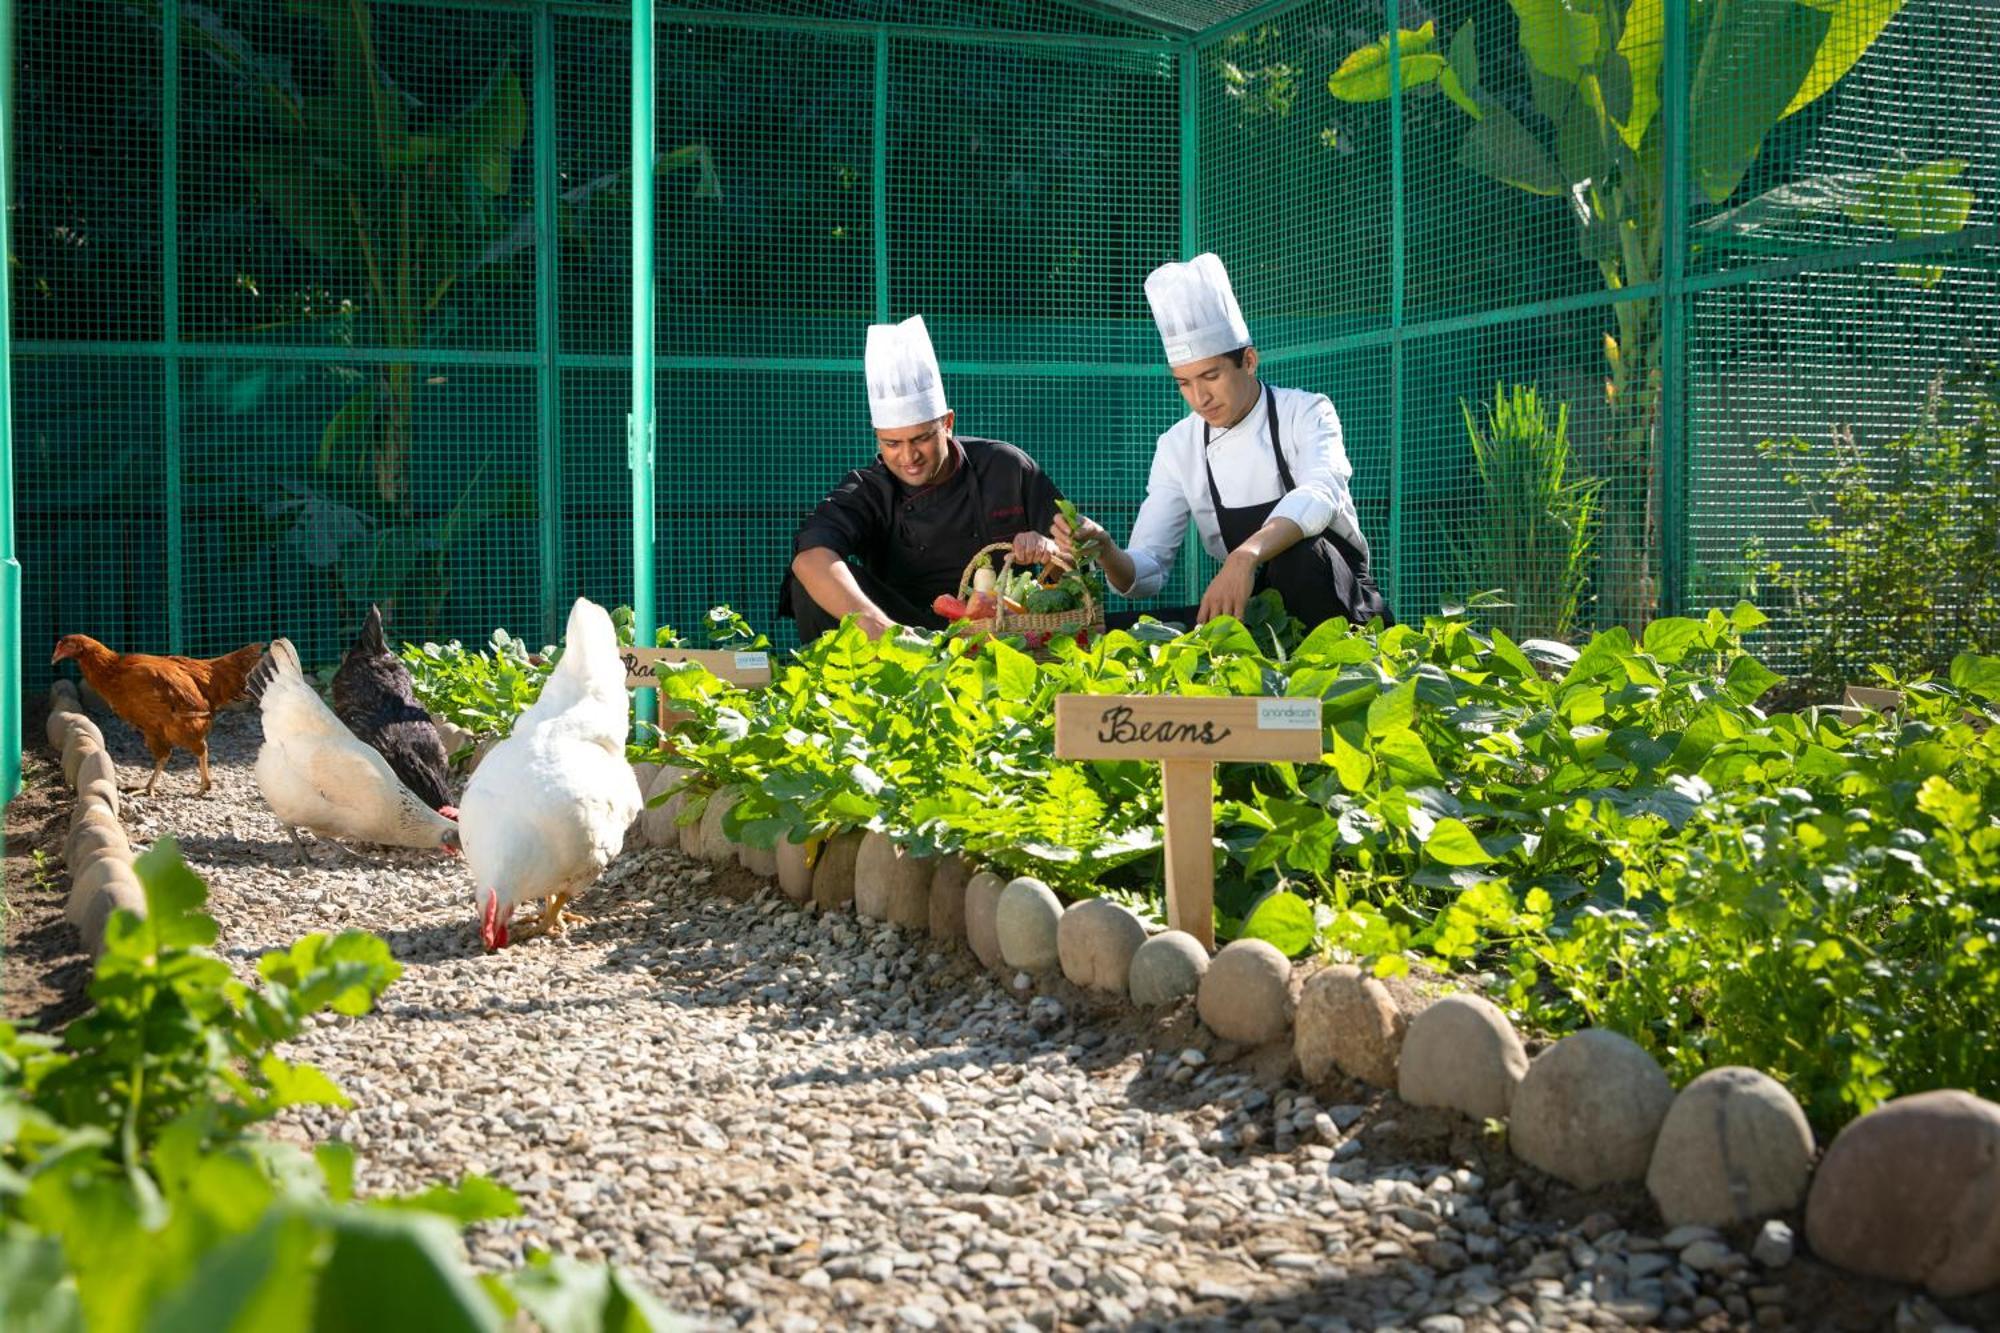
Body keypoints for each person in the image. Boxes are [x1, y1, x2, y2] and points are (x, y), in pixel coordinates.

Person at [1053, 253, 1390, 631]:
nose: (1199, 397)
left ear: (1248, 360)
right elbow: (1148, 568)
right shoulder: (1178, 446)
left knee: (1302, 554)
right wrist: (1107, 549)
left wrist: (1245, 556)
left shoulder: (1307, 411)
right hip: (1258, 613)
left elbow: (1320, 493)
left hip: (1337, 606)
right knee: (1114, 632)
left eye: (1210, 376)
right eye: (1184, 383)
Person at [781, 315, 1069, 642]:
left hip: (1005, 633)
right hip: (906, 636)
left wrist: (1049, 552)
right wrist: (881, 627)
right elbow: (810, 559)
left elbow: (1075, 560)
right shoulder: (869, 490)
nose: (908, 457)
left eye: (920, 439)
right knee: (807, 586)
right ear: (877, 437)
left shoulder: (1005, 466)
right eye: (892, 443)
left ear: (947, 423)